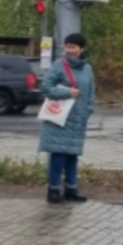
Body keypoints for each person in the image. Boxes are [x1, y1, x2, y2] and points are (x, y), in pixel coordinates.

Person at [38, 33, 96, 205]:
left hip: (78, 119)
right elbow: (46, 87)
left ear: (82, 49)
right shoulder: (59, 65)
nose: (70, 50)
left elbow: (91, 91)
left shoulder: (87, 68)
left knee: (72, 156)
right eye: (68, 46)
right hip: (59, 119)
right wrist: (67, 92)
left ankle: (71, 189)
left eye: (74, 47)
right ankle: (53, 190)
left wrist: (88, 109)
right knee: (58, 155)